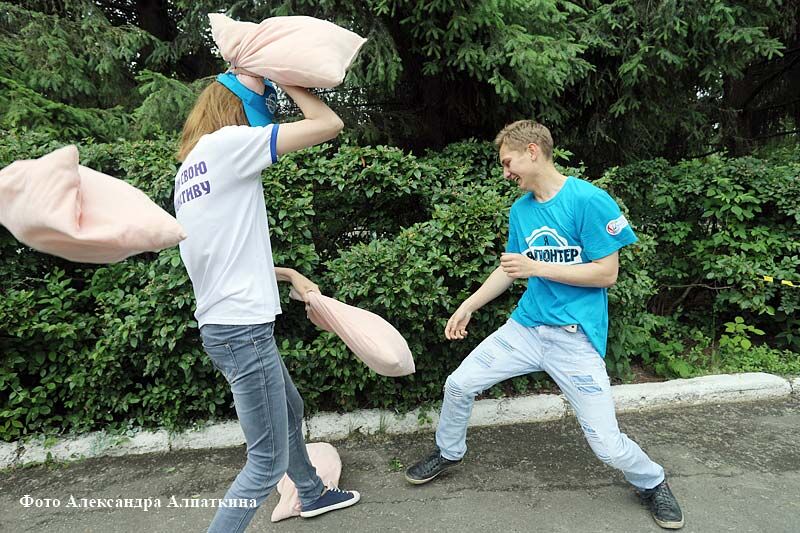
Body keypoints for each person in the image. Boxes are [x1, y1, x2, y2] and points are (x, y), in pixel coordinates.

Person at [404, 120, 684, 530]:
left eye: (507, 162)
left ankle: (653, 481)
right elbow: (511, 269)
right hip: (525, 329)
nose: (505, 173)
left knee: (606, 446)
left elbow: (606, 274)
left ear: (532, 151)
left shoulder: (589, 200)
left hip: (574, 341)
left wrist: (539, 267)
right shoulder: (521, 210)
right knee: (459, 384)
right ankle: (448, 452)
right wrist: (469, 305)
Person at [174, 72, 359, 533]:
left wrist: (287, 273)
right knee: (264, 462)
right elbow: (328, 123)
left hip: (227, 325)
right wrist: (291, 79)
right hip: (241, 329)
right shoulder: (228, 144)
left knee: (291, 410)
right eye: (263, 98)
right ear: (236, 109)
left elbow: (218, 255)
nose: (269, 106)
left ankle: (312, 493)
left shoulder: (190, 170)